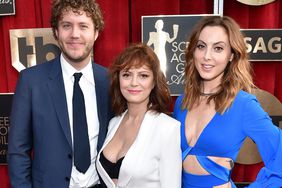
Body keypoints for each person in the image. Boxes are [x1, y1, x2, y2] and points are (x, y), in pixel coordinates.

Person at [8, 0, 113, 187]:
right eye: (66, 26)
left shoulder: (111, 81)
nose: (75, 34)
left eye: (83, 26)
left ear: (96, 33)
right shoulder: (31, 81)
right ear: (56, 32)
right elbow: (18, 151)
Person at [173, 16, 282, 188]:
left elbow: (279, 155)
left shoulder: (243, 105)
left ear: (231, 55)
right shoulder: (181, 102)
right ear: (193, 51)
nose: (207, 56)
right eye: (201, 46)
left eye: (218, 48)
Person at [96, 43, 182, 188]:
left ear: (154, 81)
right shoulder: (114, 122)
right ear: (119, 80)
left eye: (143, 75)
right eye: (127, 75)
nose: (134, 83)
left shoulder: (167, 128)